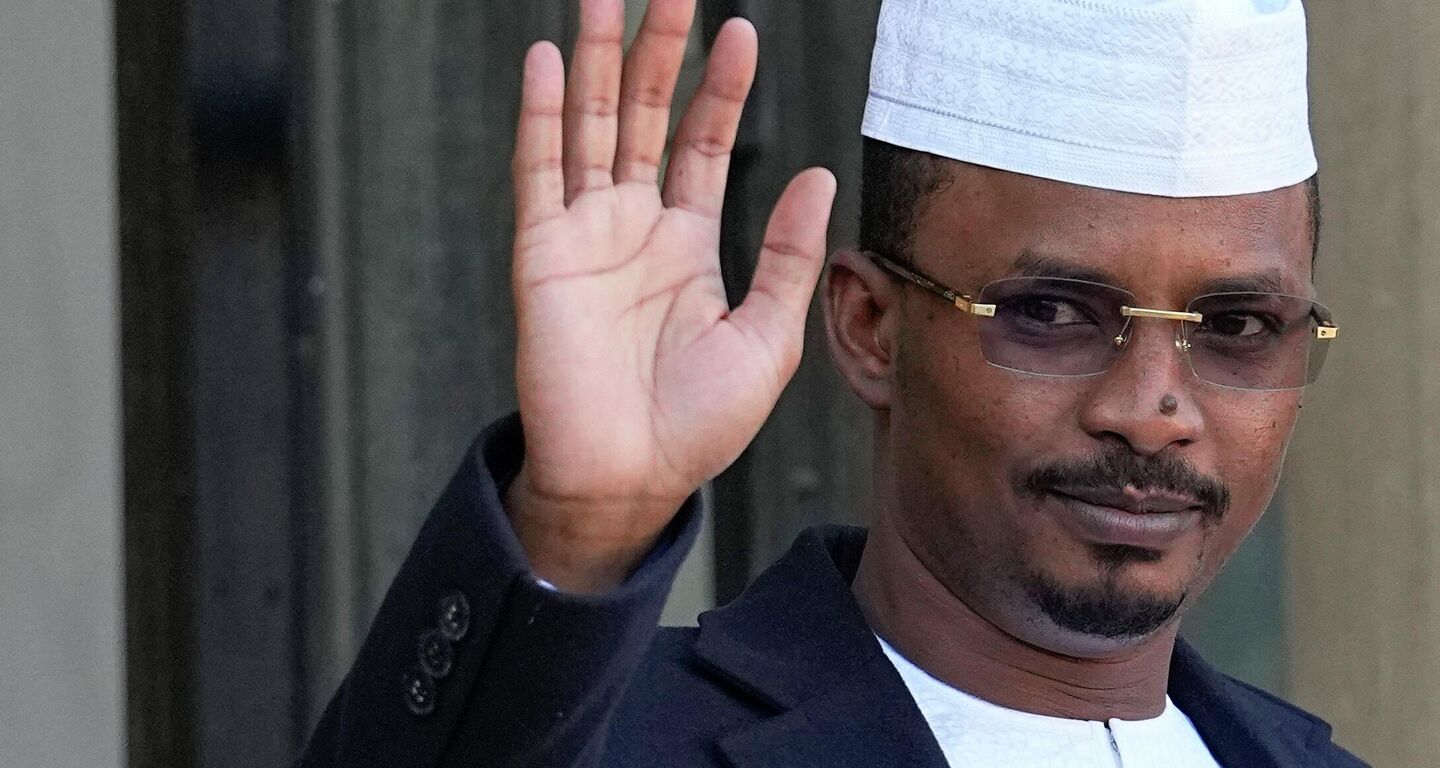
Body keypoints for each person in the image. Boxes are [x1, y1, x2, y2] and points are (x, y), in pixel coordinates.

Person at [298, 0, 1365, 764]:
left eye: (1234, 327)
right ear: (869, 328)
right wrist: (581, 530)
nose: (1150, 410)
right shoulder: (624, 735)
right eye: (1049, 313)